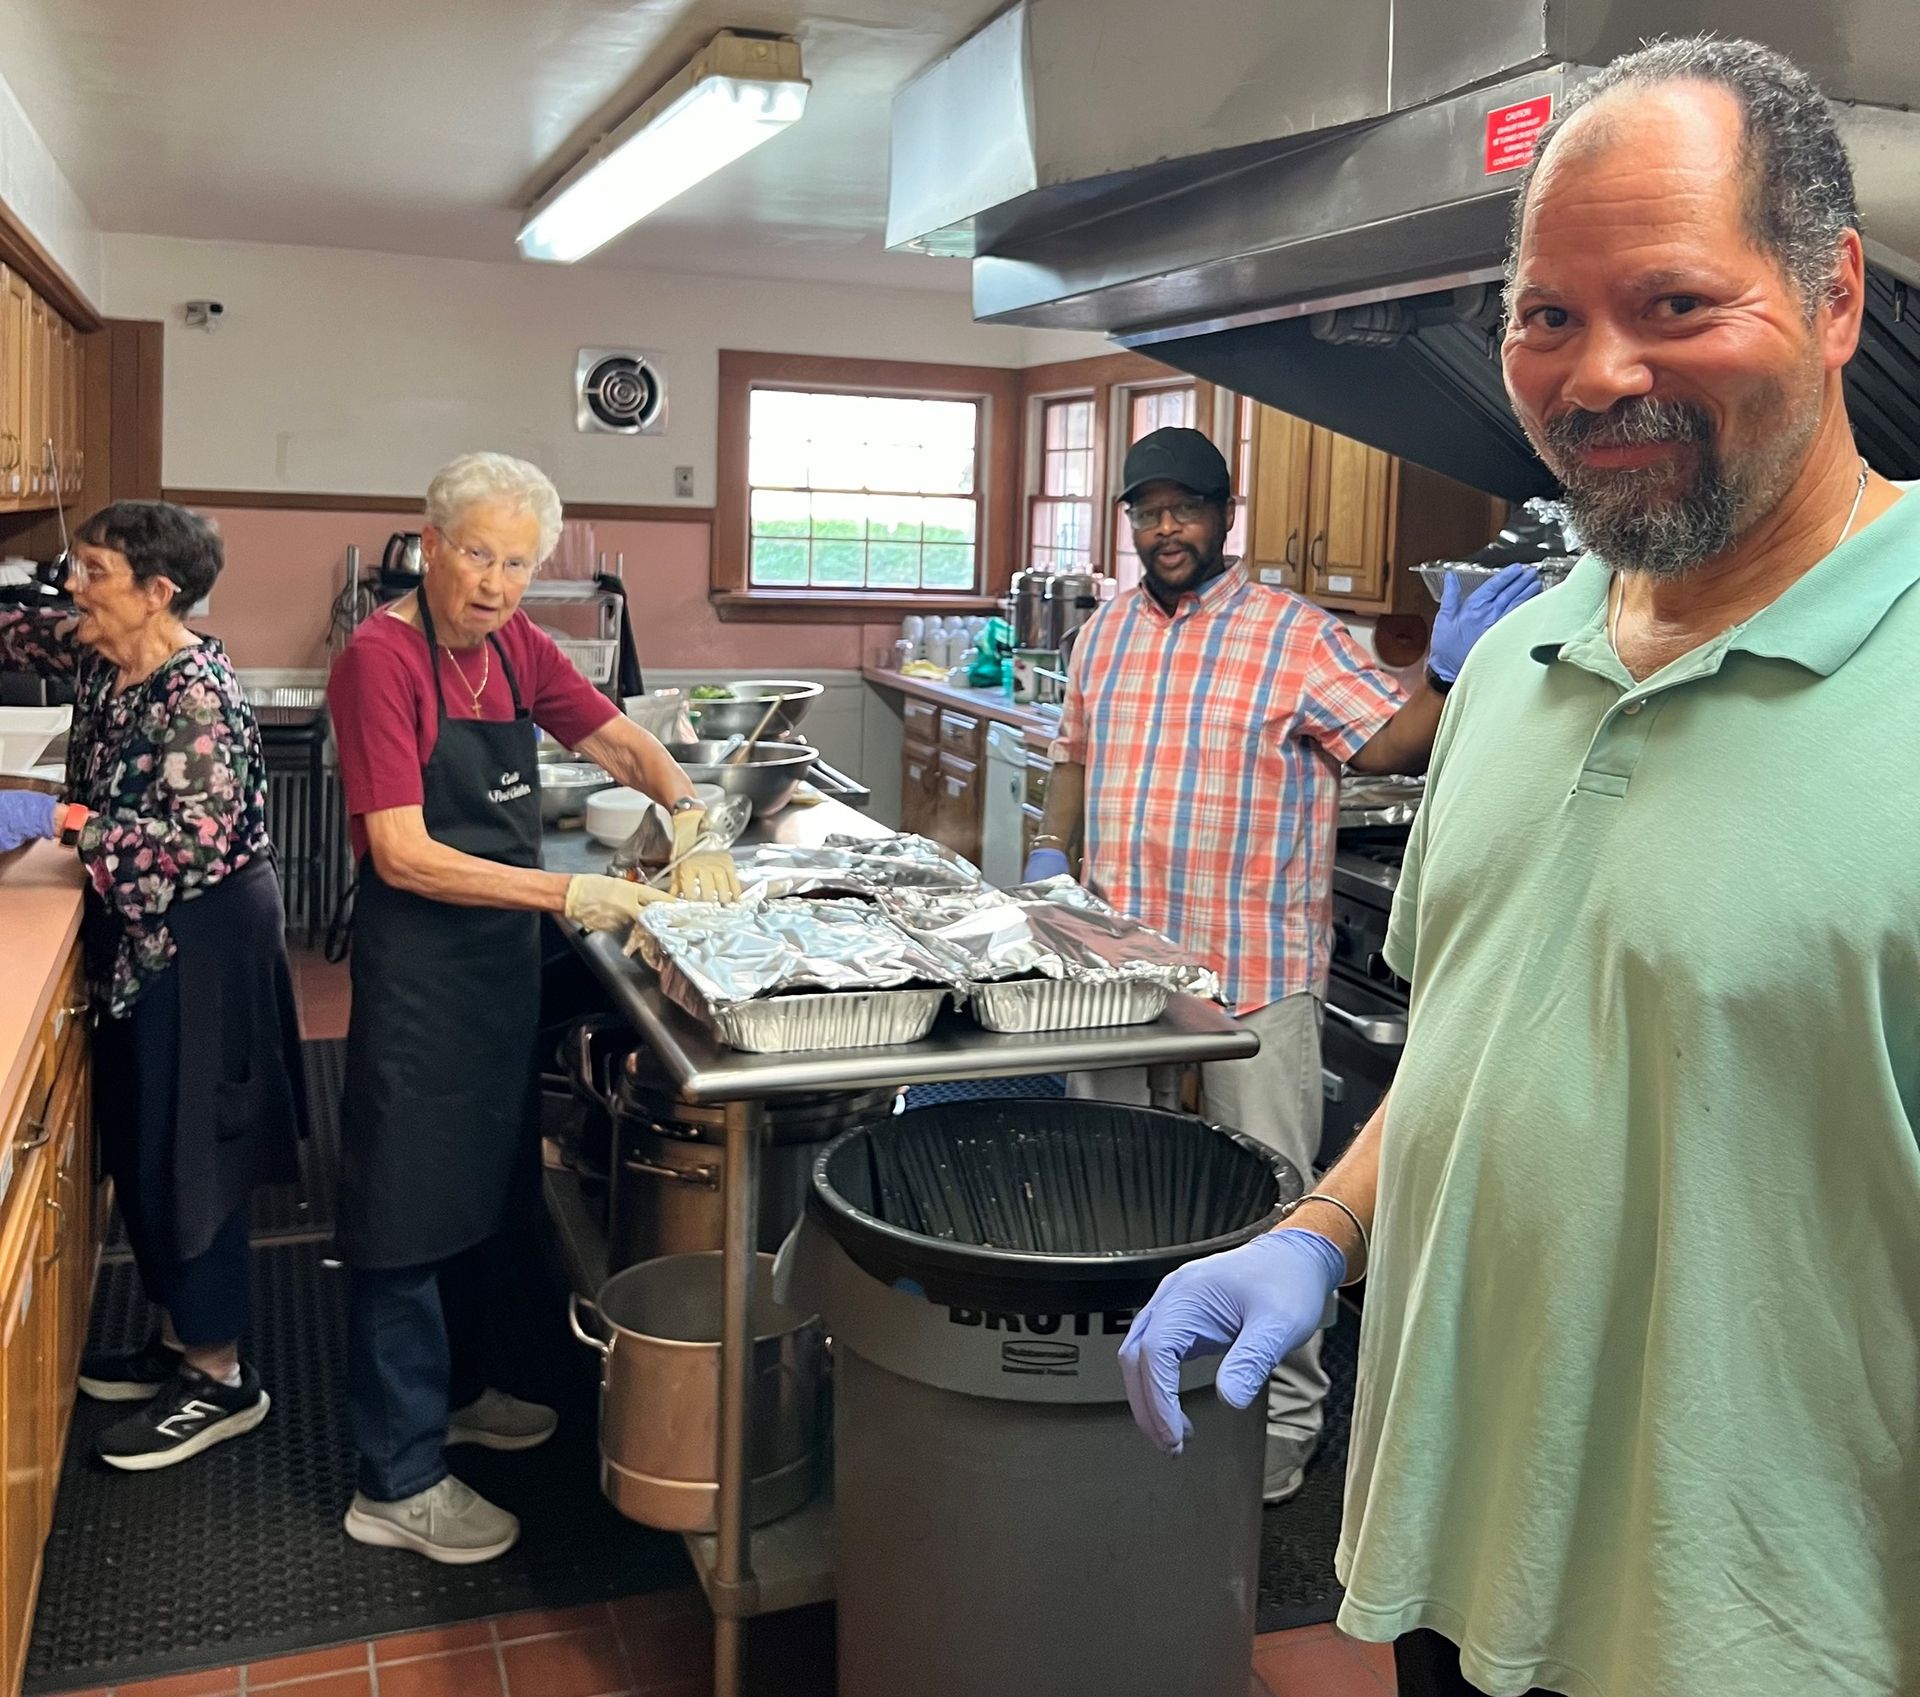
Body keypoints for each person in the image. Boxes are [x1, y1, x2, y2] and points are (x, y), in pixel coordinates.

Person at [1119, 37, 1920, 1697]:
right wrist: (1326, 1226)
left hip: (1769, 1631)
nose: (1595, 371)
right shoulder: (1522, 660)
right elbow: (1484, 1040)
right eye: (1547, 315)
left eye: (1676, 302)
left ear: (1838, 296)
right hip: (1451, 1570)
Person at [1024, 426, 1539, 1501]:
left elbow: (1393, 743)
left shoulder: (1292, 634)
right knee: (1112, 1184)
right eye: (1148, 509)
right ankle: (1135, 1381)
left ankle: (1278, 1436)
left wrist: (1443, 675)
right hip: (1121, 974)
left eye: (1187, 508)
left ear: (1225, 516)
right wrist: (1050, 852)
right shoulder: (1106, 631)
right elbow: (1069, 760)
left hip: (1253, 967)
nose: (1166, 527)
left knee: (1274, 1203)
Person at [326, 451, 739, 1564]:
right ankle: (396, 1477)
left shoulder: (513, 646)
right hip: (421, 976)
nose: (497, 582)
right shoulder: (381, 659)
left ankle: (455, 1396)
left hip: (495, 971)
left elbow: (610, 734)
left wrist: (689, 807)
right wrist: (574, 890)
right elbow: (402, 853)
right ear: (429, 540)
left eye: (518, 562)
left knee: (483, 1189)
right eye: (477, 554)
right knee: (404, 1212)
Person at [0, 503, 306, 1470]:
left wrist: (58, 816)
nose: (71, 590)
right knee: (139, 1138)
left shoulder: (196, 697)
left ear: (156, 591)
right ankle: (179, 1339)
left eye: (90, 571)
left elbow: (187, 847)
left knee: (193, 1150)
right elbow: (20, 627)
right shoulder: (104, 653)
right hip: (139, 934)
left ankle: (221, 1376)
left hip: (202, 937)